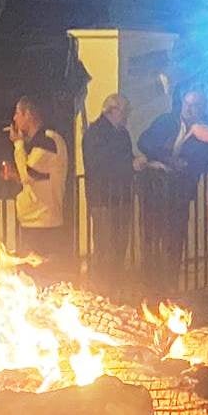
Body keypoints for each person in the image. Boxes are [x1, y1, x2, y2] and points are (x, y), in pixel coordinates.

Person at [138, 89, 208, 291]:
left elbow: (203, 159)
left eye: (195, 106)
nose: (189, 109)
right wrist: (166, 159)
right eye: (187, 104)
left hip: (180, 193)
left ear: (202, 109)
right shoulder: (165, 121)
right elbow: (144, 142)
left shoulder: (205, 132)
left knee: (174, 241)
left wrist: (185, 165)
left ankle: (169, 287)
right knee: (152, 239)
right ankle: (149, 287)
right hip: (155, 190)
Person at [0, 98, 68, 276]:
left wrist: (17, 144)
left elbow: (28, 174)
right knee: (31, 278)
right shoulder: (38, 141)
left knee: (41, 277)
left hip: (44, 222)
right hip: (33, 220)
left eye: (17, 113)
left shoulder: (47, 140)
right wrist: (16, 175)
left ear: (28, 114)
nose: (14, 119)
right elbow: (36, 178)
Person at [82, 94, 136, 294]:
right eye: (125, 112)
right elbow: (99, 165)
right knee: (105, 246)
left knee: (119, 245)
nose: (127, 116)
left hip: (121, 197)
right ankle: (102, 290)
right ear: (113, 110)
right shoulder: (95, 133)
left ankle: (114, 287)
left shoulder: (122, 134)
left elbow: (124, 158)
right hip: (103, 198)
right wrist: (130, 165)